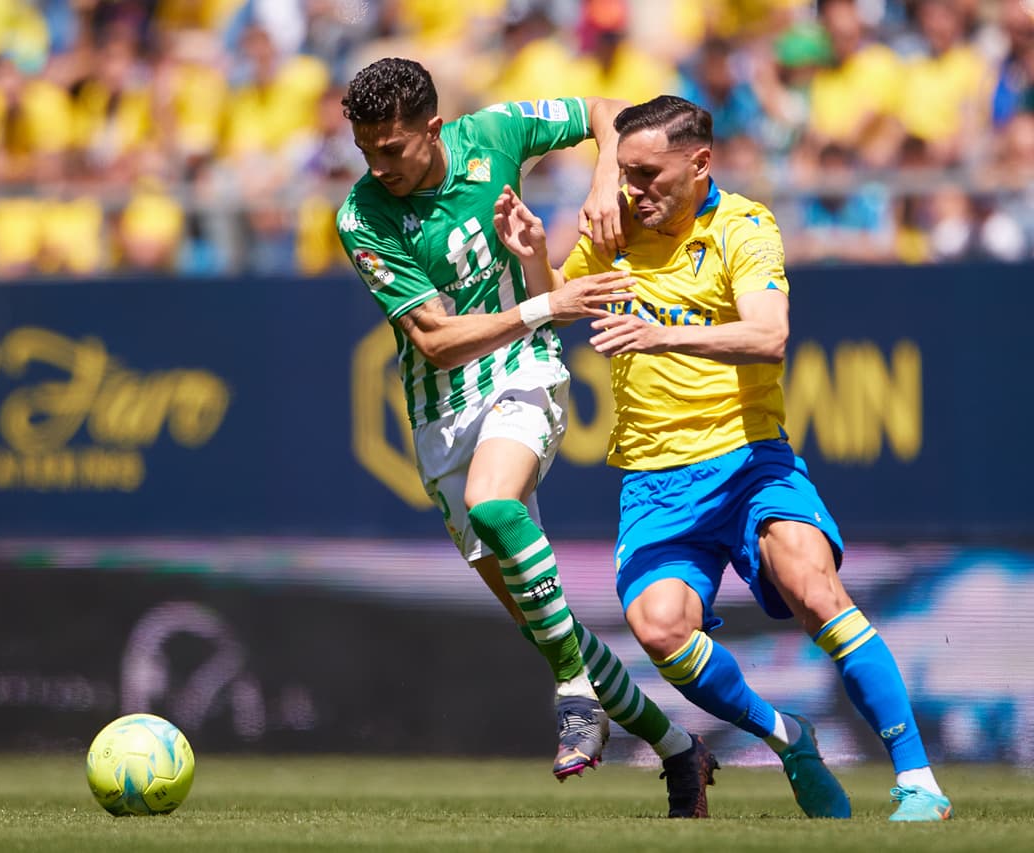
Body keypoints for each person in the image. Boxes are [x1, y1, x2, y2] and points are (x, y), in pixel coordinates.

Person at [496, 93, 953, 821]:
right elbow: (558, 302)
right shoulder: (616, 232)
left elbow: (768, 334)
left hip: (749, 463)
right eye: (624, 170)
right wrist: (533, 259)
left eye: (648, 173)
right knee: (659, 628)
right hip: (655, 481)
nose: (632, 187)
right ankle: (788, 736)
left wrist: (660, 335)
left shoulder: (743, 226)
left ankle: (918, 779)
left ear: (699, 163)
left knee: (813, 584)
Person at [335, 57, 717, 818]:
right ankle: (679, 750)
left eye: (393, 149)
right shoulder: (361, 217)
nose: (379, 166)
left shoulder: (498, 133)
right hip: (442, 411)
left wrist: (605, 175)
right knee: (553, 625)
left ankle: (576, 698)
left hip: (522, 373)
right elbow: (438, 343)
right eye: (366, 150)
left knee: (493, 504)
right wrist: (551, 301)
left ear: (434, 130)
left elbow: (613, 105)